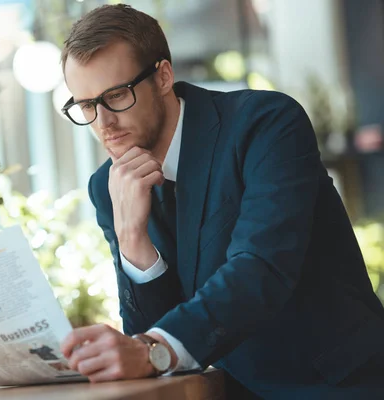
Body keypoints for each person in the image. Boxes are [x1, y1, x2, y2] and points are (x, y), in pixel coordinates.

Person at [58, 4, 384, 399]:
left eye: (116, 96)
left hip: (333, 386)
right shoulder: (108, 187)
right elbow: (149, 335)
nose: (103, 123)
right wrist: (131, 239)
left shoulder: (265, 124)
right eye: (87, 106)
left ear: (163, 77)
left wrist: (153, 350)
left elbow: (261, 269)